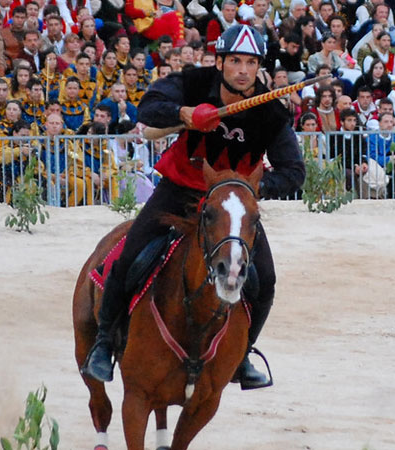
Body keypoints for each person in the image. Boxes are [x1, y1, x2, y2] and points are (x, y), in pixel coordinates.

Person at [82, 25, 305, 390]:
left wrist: (248, 189)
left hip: (231, 206)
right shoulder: (193, 81)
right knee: (130, 256)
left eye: (251, 62)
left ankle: (244, 355)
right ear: (219, 62)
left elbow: (294, 172)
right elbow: (149, 108)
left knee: (265, 280)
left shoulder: (270, 111)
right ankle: (105, 342)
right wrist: (185, 113)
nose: (243, 70)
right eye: (235, 60)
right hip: (180, 191)